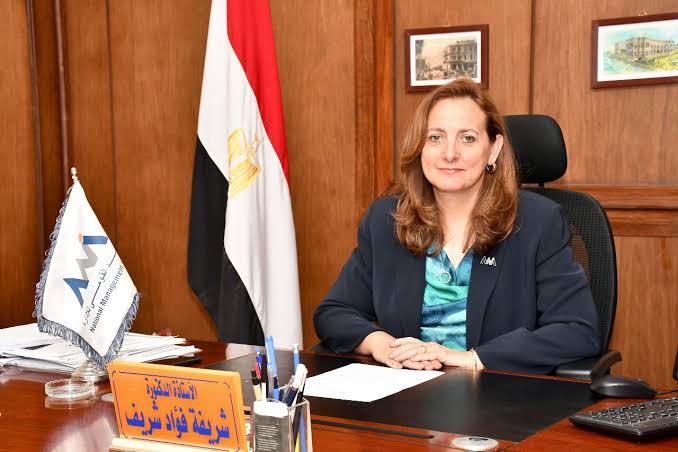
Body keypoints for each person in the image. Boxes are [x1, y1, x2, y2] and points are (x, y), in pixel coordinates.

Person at [313, 78, 601, 374]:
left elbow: (577, 329)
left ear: (493, 149)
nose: (450, 153)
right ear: (420, 147)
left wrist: (471, 359)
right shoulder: (387, 220)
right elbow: (334, 312)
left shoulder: (537, 222)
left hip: (494, 392)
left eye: (467, 138)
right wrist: (382, 345)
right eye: (436, 137)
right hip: (404, 390)